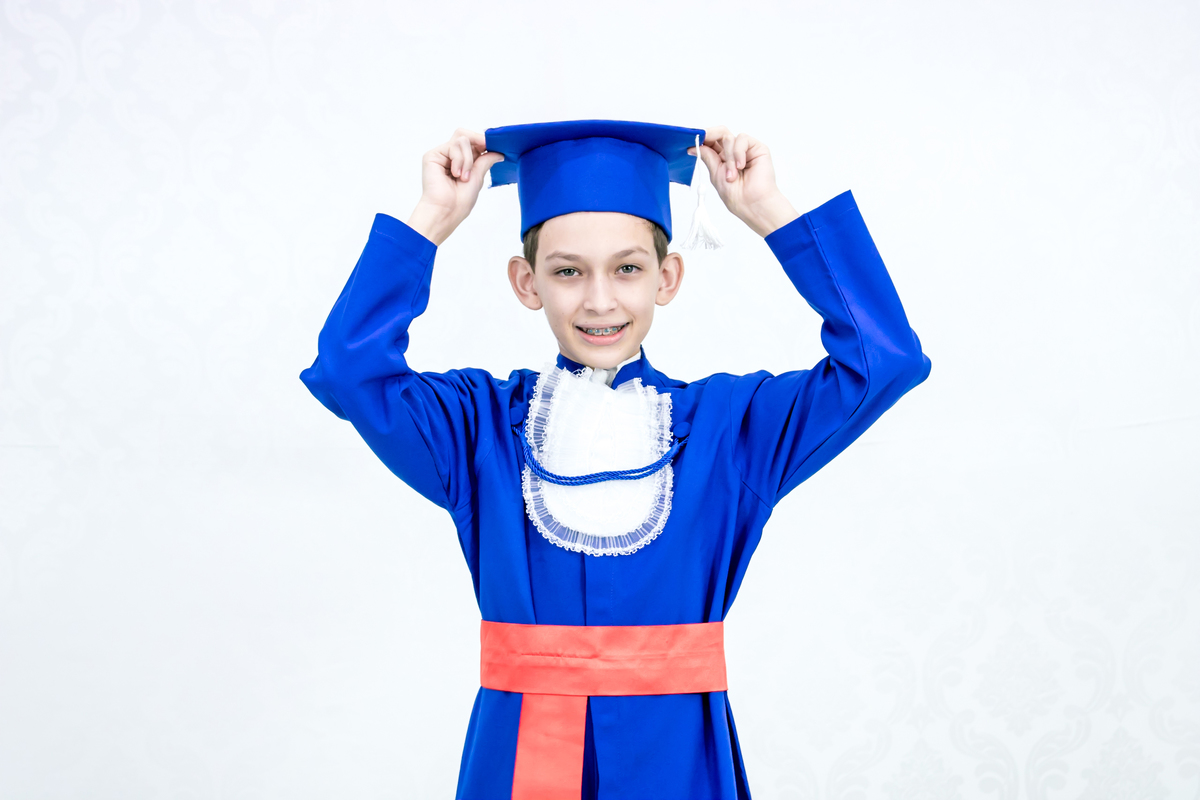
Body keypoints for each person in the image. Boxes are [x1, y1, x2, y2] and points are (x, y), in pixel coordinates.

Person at [300, 120, 931, 800]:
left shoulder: (730, 429)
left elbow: (883, 360)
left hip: (679, 758)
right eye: (567, 272)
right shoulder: (477, 427)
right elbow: (347, 371)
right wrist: (430, 219)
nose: (599, 301)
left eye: (628, 268)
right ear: (525, 282)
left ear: (668, 277)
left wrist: (767, 211)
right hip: (517, 761)